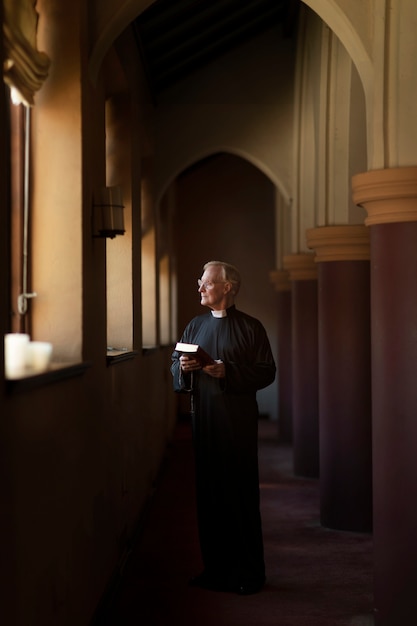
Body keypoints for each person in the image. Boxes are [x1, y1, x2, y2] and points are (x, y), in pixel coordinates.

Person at [171, 260, 276, 595]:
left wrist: (227, 372)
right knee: (209, 495)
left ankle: (248, 572)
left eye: (207, 282)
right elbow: (175, 365)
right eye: (200, 282)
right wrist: (184, 367)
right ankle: (215, 569)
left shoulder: (251, 328)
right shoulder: (194, 326)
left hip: (237, 424)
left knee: (239, 496)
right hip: (205, 421)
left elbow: (265, 371)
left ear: (228, 287)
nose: (200, 287)